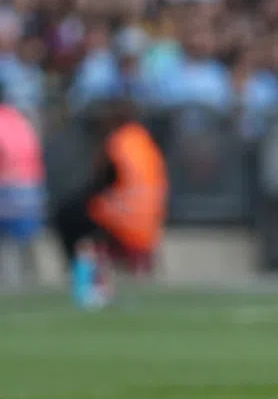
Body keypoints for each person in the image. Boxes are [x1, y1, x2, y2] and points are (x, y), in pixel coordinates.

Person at [53, 102, 168, 309]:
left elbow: (99, 184)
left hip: (123, 222)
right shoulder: (145, 142)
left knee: (68, 216)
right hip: (149, 225)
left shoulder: (117, 144)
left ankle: (84, 279)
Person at [0, 83, 46, 286]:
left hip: (9, 187)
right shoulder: (21, 119)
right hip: (32, 187)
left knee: (8, 243)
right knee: (28, 240)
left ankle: (12, 282)